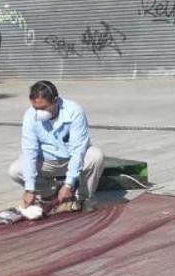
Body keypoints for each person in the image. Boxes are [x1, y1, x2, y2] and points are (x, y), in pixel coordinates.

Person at [9, 81, 105, 212]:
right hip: (47, 161)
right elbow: (29, 151)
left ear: (56, 101)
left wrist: (69, 184)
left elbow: (78, 151)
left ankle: (83, 198)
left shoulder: (74, 111)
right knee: (15, 170)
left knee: (95, 156)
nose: (39, 112)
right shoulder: (30, 116)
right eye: (35, 108)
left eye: (43, 108)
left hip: (71, 158)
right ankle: (49, 193)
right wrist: (29, 189)